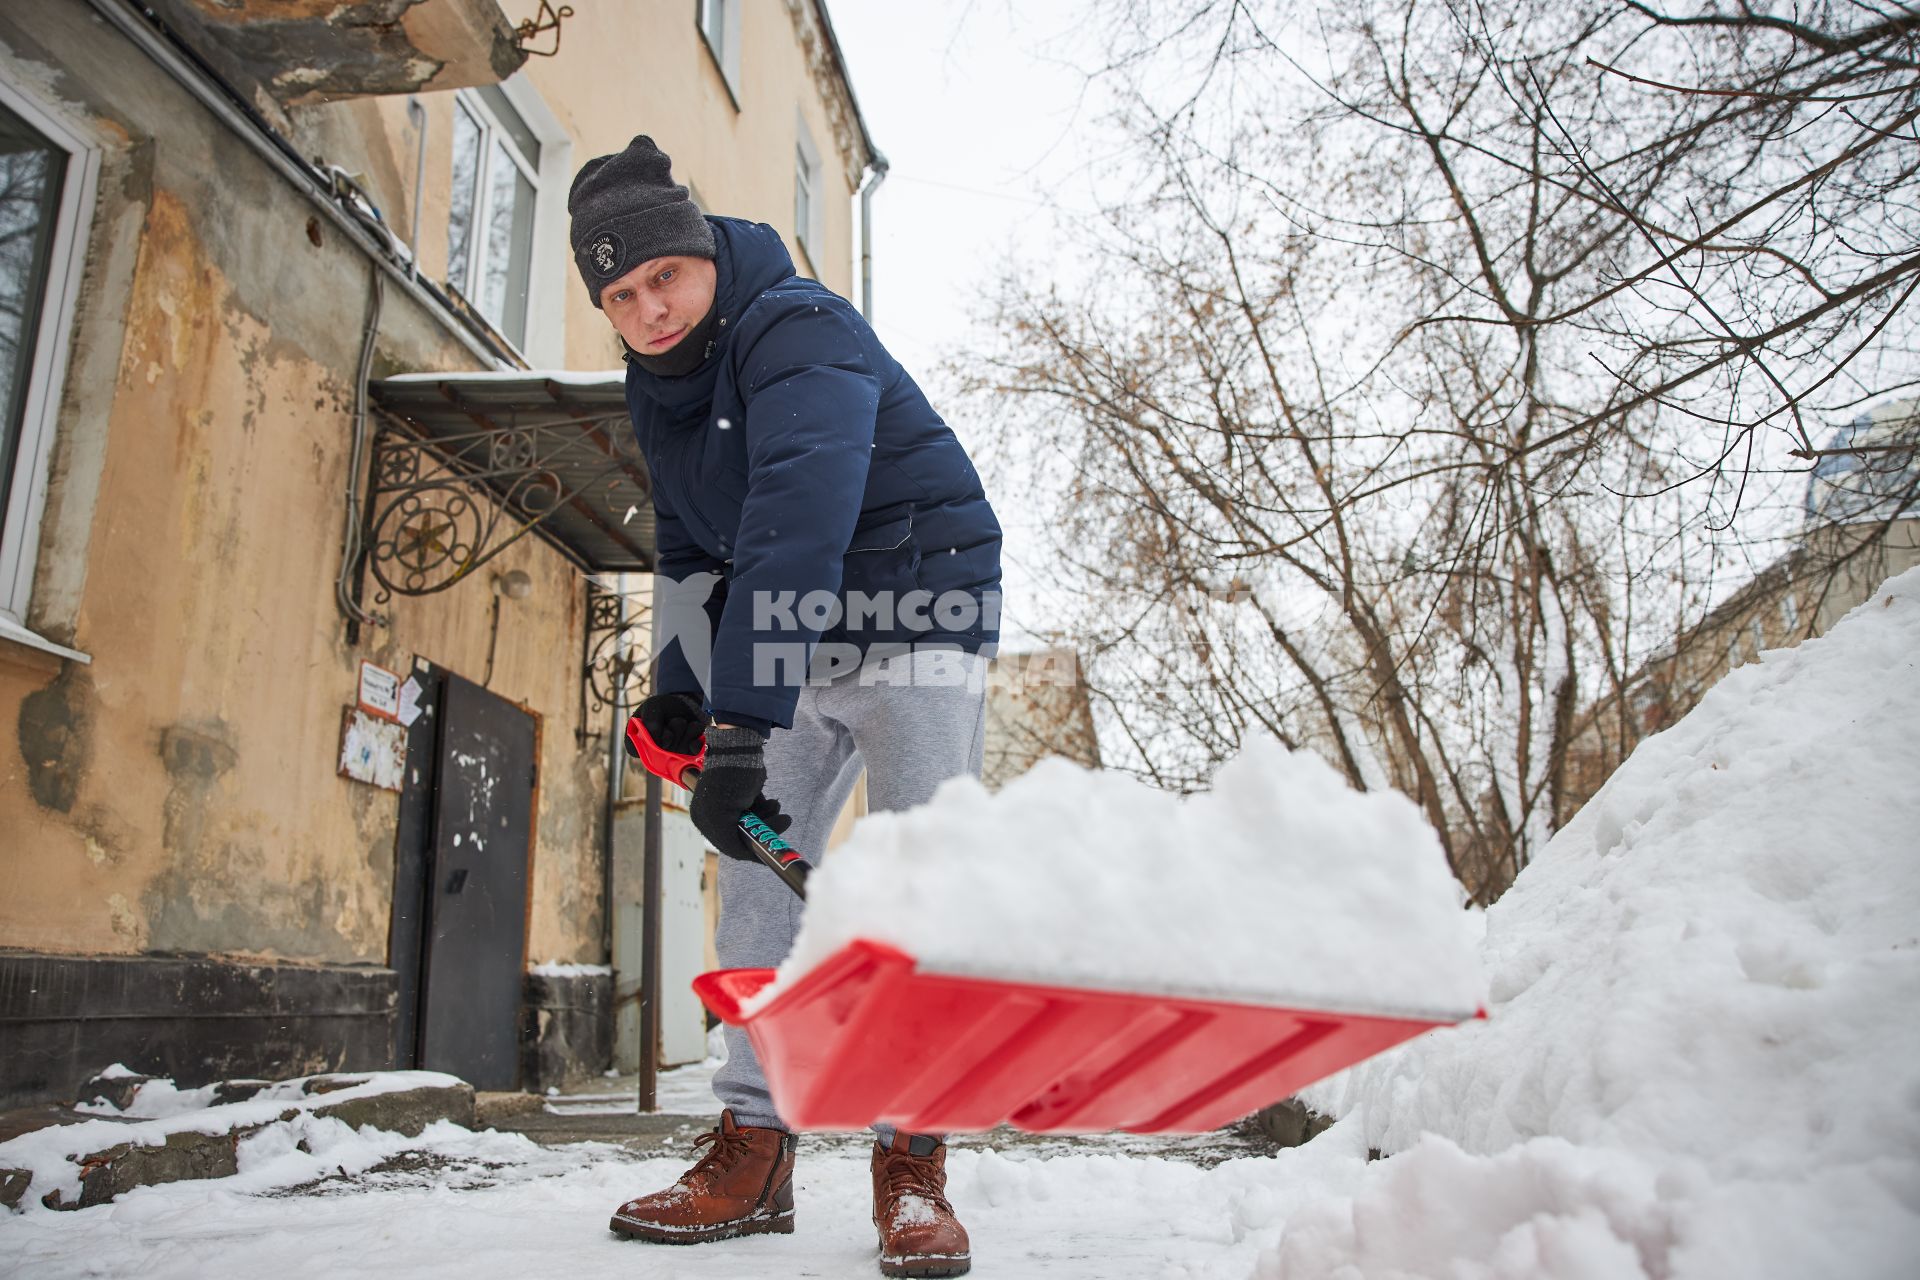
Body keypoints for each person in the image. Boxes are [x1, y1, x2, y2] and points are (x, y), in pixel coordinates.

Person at [570, 136, 1001, 1279]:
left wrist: (741, 724)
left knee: (913, 874)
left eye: (663, 275)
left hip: (920, 602)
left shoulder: (795, 324)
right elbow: (690, 538)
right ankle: (754, 1147)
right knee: (756, 877)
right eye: (620, 296)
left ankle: (913, 1163)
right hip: (799, 618)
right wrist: (679, 689)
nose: (650, 308)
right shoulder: (657, 379)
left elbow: (794, 521)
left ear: (701, 248)